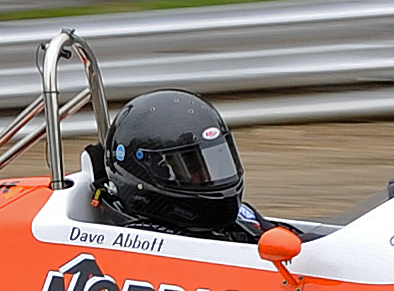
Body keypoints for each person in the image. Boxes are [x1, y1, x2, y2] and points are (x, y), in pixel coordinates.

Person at [87, 89, 285, 243]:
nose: (211, 176)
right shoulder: (147, 245)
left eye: (217, 163)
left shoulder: (244, 218)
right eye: (193, 169)